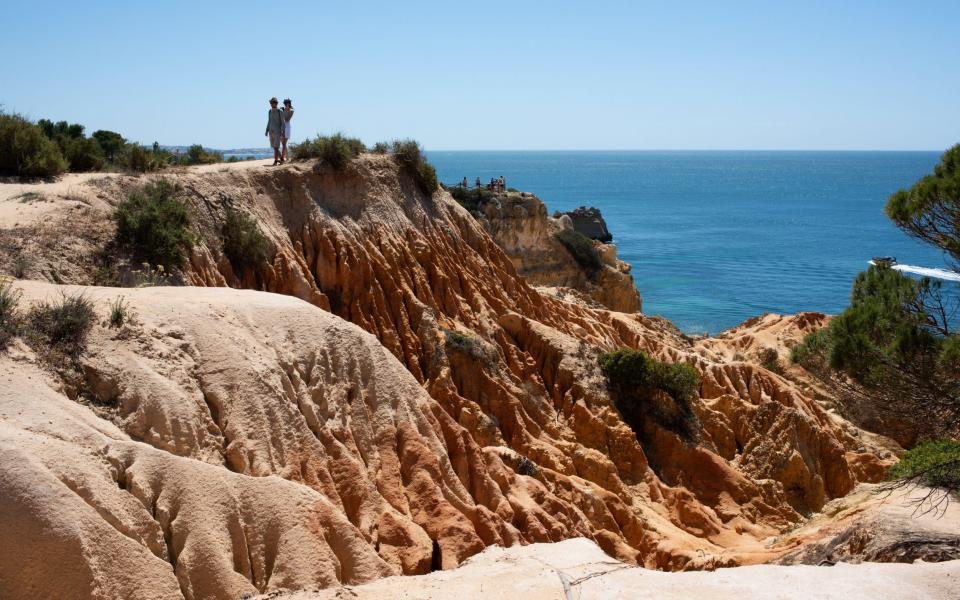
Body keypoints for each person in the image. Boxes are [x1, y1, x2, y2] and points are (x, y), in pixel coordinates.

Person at [265, 97, 285, 165]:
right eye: (270, 102)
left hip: (277, 131)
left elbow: (283, 122)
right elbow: (269, 121)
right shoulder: (270, 111)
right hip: (271, 131)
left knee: (276, 147)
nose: (271, 104)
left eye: (272, 102)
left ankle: (276, 161)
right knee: (274, 147)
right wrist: (266, 130)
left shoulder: (280, 111)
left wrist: (283, 132)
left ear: (275, 103)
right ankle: (282, 159)